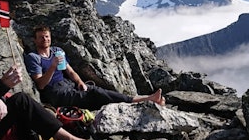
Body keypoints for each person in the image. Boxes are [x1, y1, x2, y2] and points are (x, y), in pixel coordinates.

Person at [24, 25, 166, 110]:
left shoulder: (56, 51)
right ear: (35, 40)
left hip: (67, 85)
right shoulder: (34, 57)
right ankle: (144, 100)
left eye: (47, 37)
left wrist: (79, 82)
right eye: (41, 37)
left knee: (93, 90)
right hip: (55, 93)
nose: (45, 40)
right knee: (95, 94)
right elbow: (41, 85)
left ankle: (144, 99)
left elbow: (70, 71)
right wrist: (52, 67)